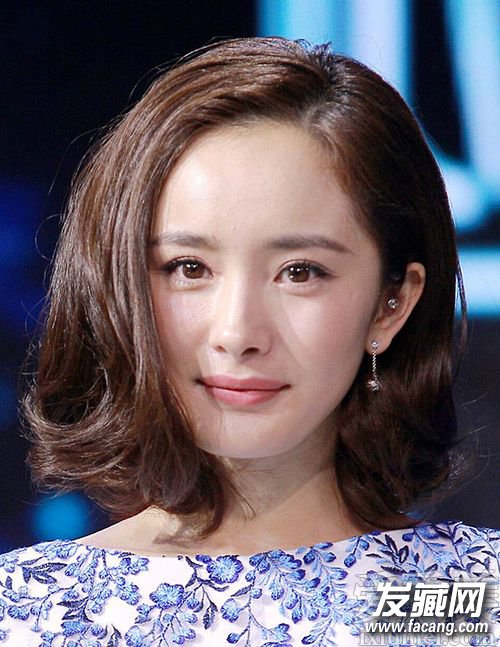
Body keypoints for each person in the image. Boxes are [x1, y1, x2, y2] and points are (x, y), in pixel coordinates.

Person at [0, 37, 498, 646]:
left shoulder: (463, 597)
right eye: (189, 268)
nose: (237, 333)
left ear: (391, 303)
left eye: (300, 272)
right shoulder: (31, 611)